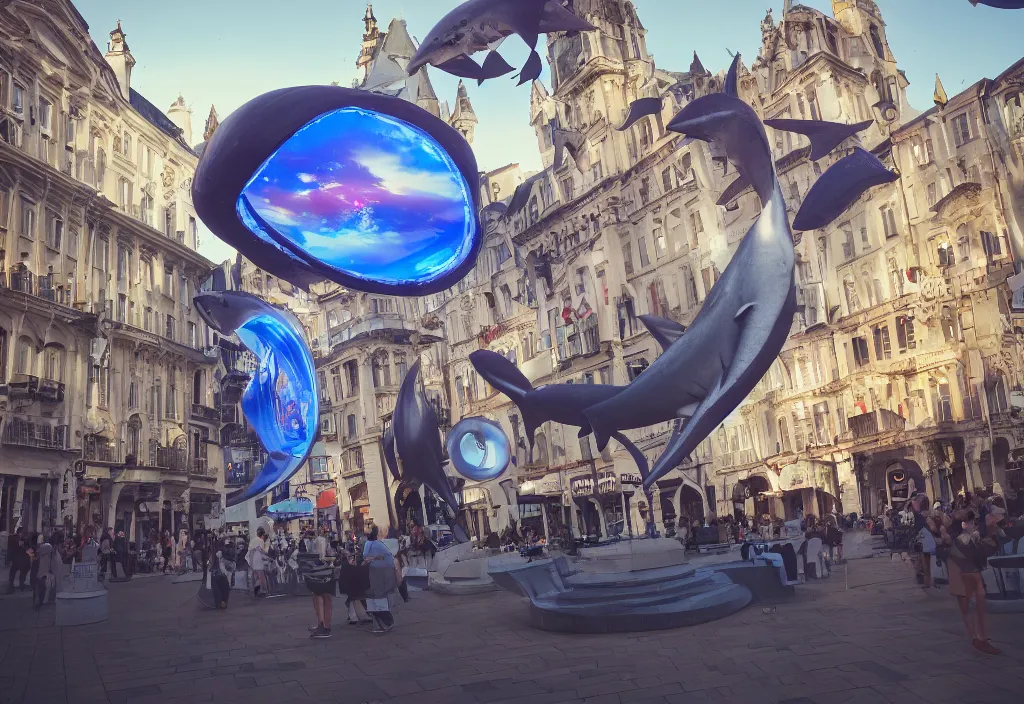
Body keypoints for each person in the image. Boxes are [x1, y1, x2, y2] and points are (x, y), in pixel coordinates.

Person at [943, 507, 1001, 655]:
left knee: (972, 603)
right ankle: (979, 639)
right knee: (970, 603)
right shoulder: (963, 535)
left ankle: (979, 638)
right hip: (962, 567)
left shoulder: (972, 534)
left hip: (964, 567)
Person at [362, 526, 397, 633]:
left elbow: (368, 557)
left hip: (379, 574)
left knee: (377, 598)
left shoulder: (373, 545)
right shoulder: (378, 545)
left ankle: (386, 623)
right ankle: (380, 624)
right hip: (377, 573)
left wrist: (372, 559)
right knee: (374, 599)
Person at [306, 525, 335, 639]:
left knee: (319, 595)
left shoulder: (318, 541)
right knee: (325, 596)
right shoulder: (325, 541)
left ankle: (323, 625)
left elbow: (317, 556)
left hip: (319, 570)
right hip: (327, 569)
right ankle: (324, 624)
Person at [32, 534, 59, 610]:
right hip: (44, 572)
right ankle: (42, 601)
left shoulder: (40, 549)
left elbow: (34, 557)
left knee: (39, 587)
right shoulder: (49, 548)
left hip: (40, 571)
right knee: (44, 587)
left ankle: (39, 601)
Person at [6, 527, 29, 594]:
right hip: (17, 559)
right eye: (22, 532)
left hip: (19, 559)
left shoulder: (24, 539)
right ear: (19, 532)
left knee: (18, 573)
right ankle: (14, 587)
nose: (23, 534)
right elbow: (11, 549)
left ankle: (18, 586)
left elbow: (27, 549)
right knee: (15, 573)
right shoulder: (15, 539)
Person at [249, 527, 269, 597]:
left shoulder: (253, 541)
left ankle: (256, 590)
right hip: (259, 563)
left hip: (253, 563)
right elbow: (262, 552)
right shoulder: (260, 541)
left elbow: (251, 552)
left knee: (256, 577)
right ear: (262, 535)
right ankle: (261, 591)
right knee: (261, 577)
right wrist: (268, 558)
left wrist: (251, 563)